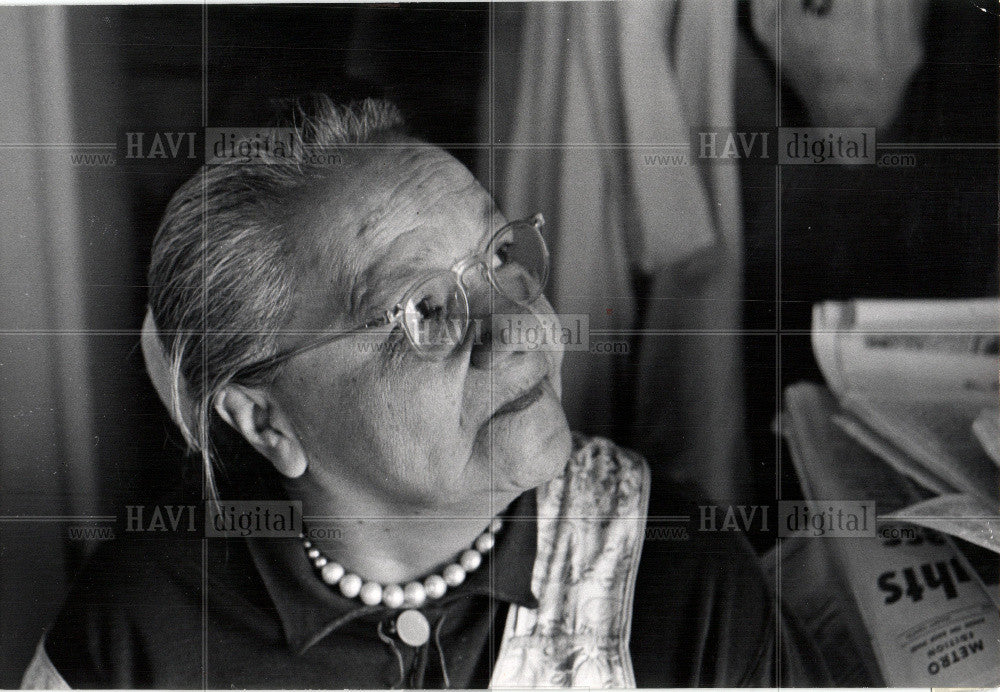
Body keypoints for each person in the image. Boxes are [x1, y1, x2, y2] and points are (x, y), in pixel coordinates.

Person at [22, 97, 830, 688]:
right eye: (425, 309)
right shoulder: (138, 638)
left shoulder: (684, 586)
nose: (521, 325)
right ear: (268, 422)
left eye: (502, 256)